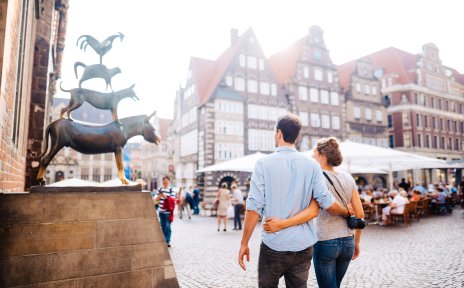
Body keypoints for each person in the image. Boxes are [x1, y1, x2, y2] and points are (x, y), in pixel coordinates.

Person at [238, 114, 351, 287]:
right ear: (296, 136)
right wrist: (346, 211)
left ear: (279, 133)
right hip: (303, 245)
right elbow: (326, 202)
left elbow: (254, 208)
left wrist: (244, 243)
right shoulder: (312, 165)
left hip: (274, 244)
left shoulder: (263, 164)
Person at [262, 137, 364, 288]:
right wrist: (356, 242)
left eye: (315, 152)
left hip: (326, 241)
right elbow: (360, 214)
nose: (312, 156)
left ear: (323, 155)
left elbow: (312, 210)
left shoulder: (315, 176)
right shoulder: (348, 178)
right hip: (347, 241)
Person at [155, 176, 176, 247]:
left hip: (168, 212)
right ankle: (163, 240)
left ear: (169, 182)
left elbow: (173, 199)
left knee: (168, 226)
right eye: (164, 181)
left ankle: (167, 240)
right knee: (163, 226)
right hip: (161, 211)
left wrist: (165, 197)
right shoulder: (160, 189)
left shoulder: (171, 190)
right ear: (162, 182)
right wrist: (159, 197)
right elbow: (155, 199)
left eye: (167, 181)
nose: (165, 182)